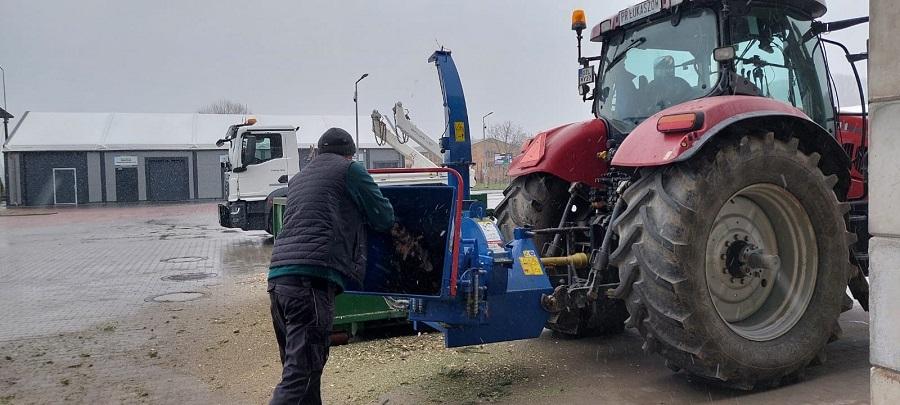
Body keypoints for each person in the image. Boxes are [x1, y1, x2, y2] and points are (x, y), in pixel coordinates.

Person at [267, 127, 395, 404]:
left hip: (279, 282)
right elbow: (383, 217)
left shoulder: (299, 179)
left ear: (319, 152)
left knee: (305, 372)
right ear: (350, 154)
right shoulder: (350, 170)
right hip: (309, 284)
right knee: (298, 378)